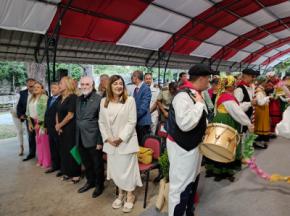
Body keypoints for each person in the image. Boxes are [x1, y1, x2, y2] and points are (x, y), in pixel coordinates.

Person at [165, 64, 213, 216]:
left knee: (191, 182)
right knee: (180, 187)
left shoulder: (195, 94)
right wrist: (199, 105)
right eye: (208, 79)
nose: (209, 83)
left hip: (193, 146)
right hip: (182, 148)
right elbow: (185, 124)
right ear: (201, 78)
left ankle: (187, 211)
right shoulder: (182, 96)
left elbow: (200, 120)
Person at [99, 75, 142, 213]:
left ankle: (130, 196)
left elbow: (132, 122)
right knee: (117, 171)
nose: (118, 86)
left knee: (127, 172)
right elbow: (101, 122)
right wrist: (107, 138)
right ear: (110, 86)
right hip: (111, 144)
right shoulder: (103, 102)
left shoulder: (130, 100)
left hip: (126, 143)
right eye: (115, 84)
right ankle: (121, 194)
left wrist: (120, 138)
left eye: (121, 84)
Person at [205, 76, 253, 182]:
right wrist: (248, 123)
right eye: (234, 84)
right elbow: (237, 112)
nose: (235, 85)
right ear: (230, 86)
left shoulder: (221, 94)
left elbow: (237, 107)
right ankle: (223, 172)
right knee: (226, 146)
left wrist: (249, 104)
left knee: (217, 144)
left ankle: (214, 169)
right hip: (227, 121)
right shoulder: (228, 98)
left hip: (219, 119)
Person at [76, 76, 104, 198]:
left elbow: (102, 122)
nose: (84, 86)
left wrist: (100, 140)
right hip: (80, 137)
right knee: (86, 163)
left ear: (92, 86)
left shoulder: (99, 99)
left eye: (87, 84)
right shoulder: (78, 99)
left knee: (97, 164)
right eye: (82, 84)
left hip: (94, 138)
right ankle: (90, 181)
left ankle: (99, 185)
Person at [55, 76, 81, 183]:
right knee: (64, 150)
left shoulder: (73, 97)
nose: (59, 85)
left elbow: (70, 115)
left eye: (61, 83)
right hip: (61, 128)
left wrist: (60, 125)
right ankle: (66, 172)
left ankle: (76, 174)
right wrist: (57, 125)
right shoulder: (61, 97)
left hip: (70, 128)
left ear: (67, 85)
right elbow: (57, 112)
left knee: (72, 151)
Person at [26, 82, 51, 168]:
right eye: (34, 87)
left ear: (42, 89)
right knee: (38, 142)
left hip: (42, 122)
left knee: (44, 142)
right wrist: (29, 123)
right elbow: (27, 111)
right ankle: (40, 160)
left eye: (38, 87)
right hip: (33, 122)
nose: (35, 88)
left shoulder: (44, 98)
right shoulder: (31, 98)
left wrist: (40, 123)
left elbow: (45, 112)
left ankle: (46, 162)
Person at [17, 78, 36, 161]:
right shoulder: (23, 93)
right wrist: (20, 115)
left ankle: (44, 154)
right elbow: (19, 106)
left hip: (39, 118)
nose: (30, 86)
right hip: (29, 118)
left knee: (42, 137)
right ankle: (31, 153)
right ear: (27, 85)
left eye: (32, 84)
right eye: (29, 84)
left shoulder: (40, 91)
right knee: (31, 136)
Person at [44, 82, 61, 174]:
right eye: (51, 88)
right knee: (52, 148)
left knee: (59, 148)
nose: (52, 89)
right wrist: (45, 126)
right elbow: (46, 113)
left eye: (55, 87)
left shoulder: (61, 99)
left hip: (57, 127)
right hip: (50, 128)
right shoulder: (50, 99)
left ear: (60, 89)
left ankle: (62, 168)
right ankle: (55, 166)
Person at [131, 70, 152, 145]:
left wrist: (133, 117)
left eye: (132, 76)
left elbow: (144, 107)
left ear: (136, 77)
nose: (131, 78)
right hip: (138, 122)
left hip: (143, 123)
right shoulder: (136, 89)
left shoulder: (146, 88)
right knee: (138, 143)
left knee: (144, 145)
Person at [254, 76, 272, 149]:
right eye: (266, 82)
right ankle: (258, 141)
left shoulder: (261, 90)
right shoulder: (259, 90)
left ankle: (260, 141)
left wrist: (267, 99)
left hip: (263, 110)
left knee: (262, 124)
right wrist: (268, 97)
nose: (267, 84)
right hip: (261, 110)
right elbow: (260, 102)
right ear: (262, 82)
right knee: (260, 125)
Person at [10, 91, 24, 156]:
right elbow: (15, 105)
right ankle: (21, 147)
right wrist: (13, 112)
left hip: (25, 115)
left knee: (29, 131)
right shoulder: (20, 94)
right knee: (19, 131)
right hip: (15, 114)